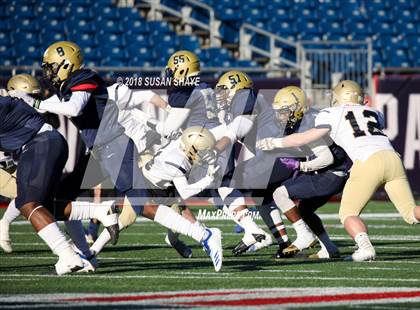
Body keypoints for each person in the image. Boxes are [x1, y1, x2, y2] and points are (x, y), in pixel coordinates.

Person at [257, 80, 420, 261]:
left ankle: (364, 248)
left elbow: (308, 141)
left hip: (360, 163)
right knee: (411, 213)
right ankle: (329, 248)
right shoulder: (375, 112)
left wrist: (277, 145)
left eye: (284, 112)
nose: (280, 116)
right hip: (393, 158)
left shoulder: (327, 115)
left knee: (348, 213)